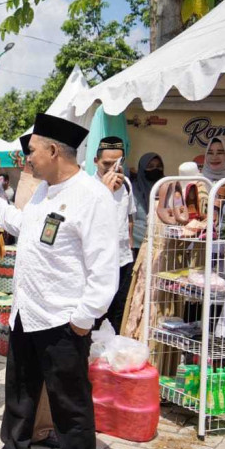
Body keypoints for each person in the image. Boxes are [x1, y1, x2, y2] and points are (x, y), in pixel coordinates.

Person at [0, 113, 118, 449]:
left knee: (69, 398)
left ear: (54, 151)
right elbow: (27, 226)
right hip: (26, 312)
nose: (27, 159)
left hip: (63, 320)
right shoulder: (42, 190)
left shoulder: (92, 197)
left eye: (32, 151)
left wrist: (82, 322)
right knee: (19, 389)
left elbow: (104, 270)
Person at [94, 136, 136, 334]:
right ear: (96, 161)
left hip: (122, 260)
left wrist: (130, 246)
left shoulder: (126, 183)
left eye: (117, 164)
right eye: (106, 164)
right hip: (97, 261)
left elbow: (129, 219)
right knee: (96, 313)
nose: (112, 169)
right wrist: (104, 190)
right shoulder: (89, 186)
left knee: (118, 313)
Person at [130, 153, 163, 257]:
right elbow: (131, 221)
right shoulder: (133, 189)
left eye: (158, 166)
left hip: (161, 246)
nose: (155, 169)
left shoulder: (166, 186)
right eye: (150, 166)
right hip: (138, 246)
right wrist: (150, 236)